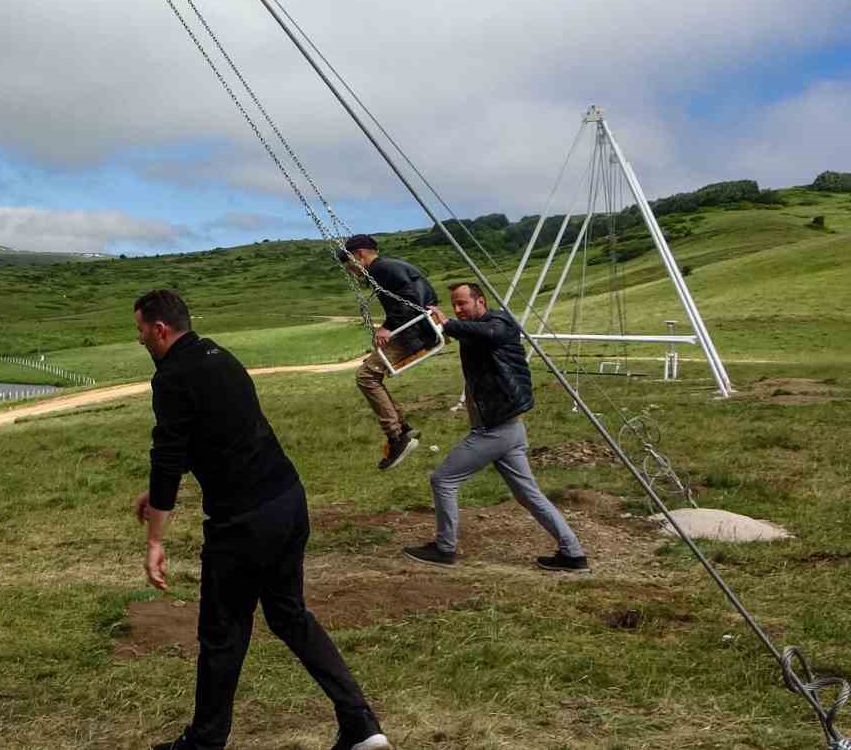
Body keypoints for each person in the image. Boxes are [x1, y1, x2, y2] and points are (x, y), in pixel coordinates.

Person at [132, 289, 389, 750]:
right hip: (287, 500)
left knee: (222, 633)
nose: (141, 342)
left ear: (159, 329)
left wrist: (155, 540)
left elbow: (168, 453)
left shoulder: (172, 376)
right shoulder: (218, 356)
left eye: (140, 333)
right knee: (289, 616)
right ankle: (361, 724)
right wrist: (158, 491)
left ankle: (205, 742)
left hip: (243, 522)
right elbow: (218, 431)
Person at [403, 282, 589, 571]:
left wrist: (450, 324)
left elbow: (489, 334)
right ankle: (573, 554)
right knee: (529, 494)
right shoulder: (472, 330)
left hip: (496, 430)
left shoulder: (499, 322)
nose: (457, 309)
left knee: (443, 480)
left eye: (463, 303)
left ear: (481, 301)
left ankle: (445, 548)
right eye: (454, 304)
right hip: (510, 429)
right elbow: (449, 336)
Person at [336, 234, 438, 471]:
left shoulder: (380, 269)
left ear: (359, 255)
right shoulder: (391, 266)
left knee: (366, 377)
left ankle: (397, 436)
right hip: (419, 329)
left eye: (349, 266)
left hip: (414, 334)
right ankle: (402, 428)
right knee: (371, 374)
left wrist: (388, 327)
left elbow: (411, 300)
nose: (351, 272)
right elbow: (415, 296)